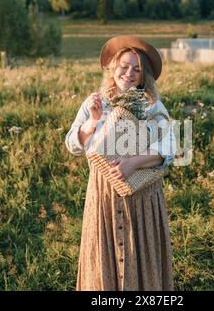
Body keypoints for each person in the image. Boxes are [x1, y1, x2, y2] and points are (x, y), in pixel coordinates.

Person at [65, 35, 176, 291]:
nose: (129, 73)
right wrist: (92, 121)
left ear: (144, 75)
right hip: (102, 191)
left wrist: (133, 163)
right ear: (113, 68)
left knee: (141, 255)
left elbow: (170, 147)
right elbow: (72, 144)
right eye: (124, 66)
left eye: (137, 69)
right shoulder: (95, 101)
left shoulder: (151, 105)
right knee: (103, 255)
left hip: (141, 194)